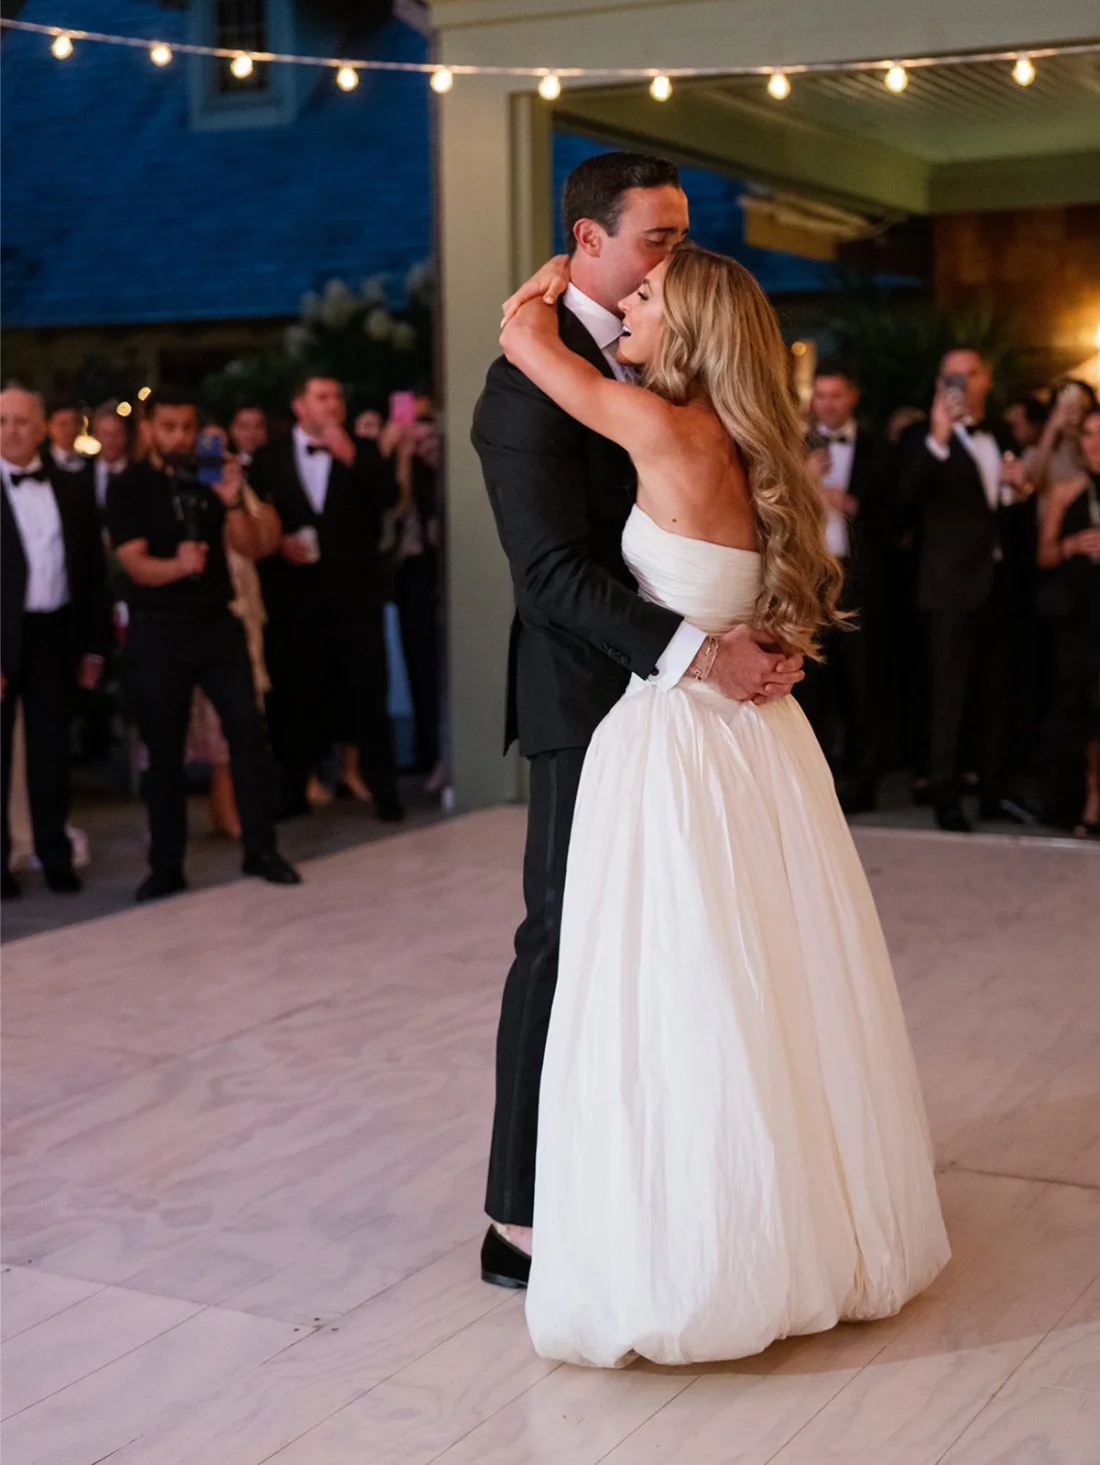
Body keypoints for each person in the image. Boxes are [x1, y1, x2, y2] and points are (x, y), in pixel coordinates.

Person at [497, 241, 949, 1367]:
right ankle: (797, 1225)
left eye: (646, 296)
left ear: (690, 328)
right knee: (775, 982)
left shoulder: (655, 427)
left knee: (673, 984)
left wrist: (551, 286)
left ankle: (697, 1250)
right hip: (764, 744)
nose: (629, 304)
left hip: (679, 742)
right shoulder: (755, 442)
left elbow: (519, 346)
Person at [471, 152, 807, 1293]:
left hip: (691, 716)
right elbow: (552, 577)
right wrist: (698, 651)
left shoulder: (660, 368)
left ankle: (661, 1181)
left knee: (682, 957)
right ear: (587, 242)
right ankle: (515, 1216)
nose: (671, 255)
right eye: (656, 238)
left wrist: (742, 624)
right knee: (560, 946)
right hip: (588, 703)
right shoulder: (525, 385)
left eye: (677, 239)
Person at [106, 387, 300, 901]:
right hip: (158, 628)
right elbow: (134, 562)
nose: (179, 437)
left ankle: (261, 850)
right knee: (164, 749)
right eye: (168, 427)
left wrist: (232, 497)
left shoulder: (211, 471)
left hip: (217, 624)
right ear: (148, 427)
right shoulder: (128, 486)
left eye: (186, 427)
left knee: (248, 732)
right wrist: (178, 566)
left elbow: (252, 546)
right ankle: (166, 866)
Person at [250, 375, 404, 822]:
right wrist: (278, 544)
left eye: (338, 396)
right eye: (322, 397)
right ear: (300, 406)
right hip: (295, 601)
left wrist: (353, 457)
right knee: (296, 696)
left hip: (356, 598)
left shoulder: (364, 449)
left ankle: (385, 793)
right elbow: (254, 514)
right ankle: (293, 789)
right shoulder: (269, 457)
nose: (333, 404)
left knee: (369, 696)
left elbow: (389, 499)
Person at [896, 349, 1035, 833]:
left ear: (987, 379)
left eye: (972, 372)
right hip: (949, 586)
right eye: (953, 374)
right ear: (939, 382)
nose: (963, 381)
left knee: (998, 691)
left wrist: (1020, 491)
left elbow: (1002, 513)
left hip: (999, 583)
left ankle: (993, 793)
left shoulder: (997, 432)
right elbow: (904, 497)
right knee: (948, 696)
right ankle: (945, 795)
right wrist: (936, 435)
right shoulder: (921, 438)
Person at [1, 387, 112, 899]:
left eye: (23, 421)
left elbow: (92, 576)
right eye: (2, 421)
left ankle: (55, 853)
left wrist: (94, 647)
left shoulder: (71, 487)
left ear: (44, 427)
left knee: (51, 753)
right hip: (3, 637)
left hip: (55, 635)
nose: (12, 430)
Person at [798, 362, 894, 812]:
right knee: (809, 684)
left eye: (836, 395)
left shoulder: (878, 449)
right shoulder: (793, 444)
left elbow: (896, 514)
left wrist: (847, 502)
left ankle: (862, 784)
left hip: (859, 580)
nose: (828, 404)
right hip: (807, 580)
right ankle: (813, 786)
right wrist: (805, 483)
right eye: (821, 396)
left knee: (864, 683)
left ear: (852, 396)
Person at [1037, 405, 1100, 838]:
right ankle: (1086, 796)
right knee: (1081, 707)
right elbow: (1043, 557)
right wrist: (1073, 544)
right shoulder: (1065, 489)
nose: (1095, 443)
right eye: (1089, 435)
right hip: (1080, 615)